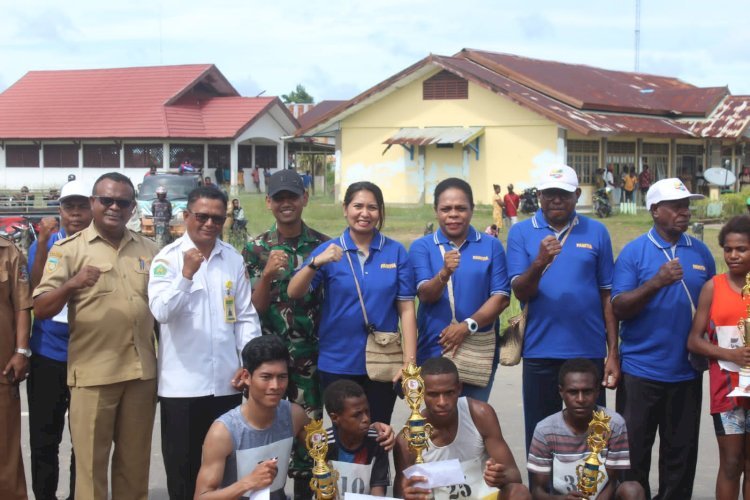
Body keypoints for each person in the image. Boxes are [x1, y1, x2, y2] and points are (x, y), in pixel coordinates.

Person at [33, 172, 158, 500]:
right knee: (90, 470)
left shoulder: (151, 250)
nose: (115, 206)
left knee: (134, 467)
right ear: (93, 203)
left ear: (133, 208)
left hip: (140, 374)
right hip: (93, 375)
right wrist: (71, 284)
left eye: (123, 202)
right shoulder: (68, 250)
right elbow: (41, 307)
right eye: (107, 200)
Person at [147, 186, 261, 500]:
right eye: (202, 216)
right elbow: (161, 312)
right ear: (186, 217)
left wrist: (248, 364)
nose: (209, 223)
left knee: (224, 477)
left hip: (226, 385)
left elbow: (245, 316)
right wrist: (185, 276)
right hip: (182, 388)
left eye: (217, 218)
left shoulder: (232, 258)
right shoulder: (167, 259)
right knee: (183, 476)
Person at [193, 335, 395, 500]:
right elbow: (201, 497)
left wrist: (372, 427)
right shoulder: (224, 432)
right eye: (266, 377)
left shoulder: (294, 415)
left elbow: (324, 446)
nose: (275, 386)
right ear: (246, 377)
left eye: (282, 377)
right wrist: (248, 483)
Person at [612, 178, 715, 499]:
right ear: (655, 211)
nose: (684, 211)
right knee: (633, 455)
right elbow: (619, 307)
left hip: (686, 372)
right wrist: (656, 282)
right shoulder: (635, 252)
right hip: (641, 372)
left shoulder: (700, 252)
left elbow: (714, 304)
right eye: (676, 206)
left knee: (680, 456)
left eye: (687, 205)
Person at [506, 163, 618, 453]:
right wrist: (540, 261)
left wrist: (612, 353)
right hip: (540, 351)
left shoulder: (597, 231)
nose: (556, 200)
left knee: (592, 438)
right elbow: (520, 291)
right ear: (539, 195)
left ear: (578, 195)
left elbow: (607, 294)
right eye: (550, 193)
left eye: (564, 194)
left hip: (588, 352)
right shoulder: (521, 232)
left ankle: (590, 492)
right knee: (541, 435)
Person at [288, 181, 417, 425]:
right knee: (345, 437)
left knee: (378, 432)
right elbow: (294, 292)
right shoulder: (328, 250)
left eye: (372, 207)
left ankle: (377, 466)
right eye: (358, 206)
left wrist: (409, 362)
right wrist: (316, 262)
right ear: (345, 208)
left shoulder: (396, 252)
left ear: (380, 212)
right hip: (337, 362)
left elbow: (407, 309)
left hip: (383, 362)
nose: (365, 214)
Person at [243, 169, 329, 497]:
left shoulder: (322, 247)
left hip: (310, 362)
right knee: (268, 440)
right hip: (269, 364)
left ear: (305, 198)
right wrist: (265, 276)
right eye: (279, 198)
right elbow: (254, 308)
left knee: (311, 443)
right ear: (268, 203)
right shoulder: (255, 249)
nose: (286, 203)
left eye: (292, 196)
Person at [409, 178, 510, 401]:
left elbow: (501, 297)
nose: (453, 214)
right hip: (433, 348)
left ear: (472, 210)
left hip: (477, 347)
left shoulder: (491, 245)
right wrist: (444, 273)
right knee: (436, 419)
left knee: (474, 417)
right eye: (446, 209)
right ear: (436, 211)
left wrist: (467, 326)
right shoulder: (422, 247)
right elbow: (425, 295)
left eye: (460, 208)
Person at [26, 180, 92, 500]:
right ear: (60, 211)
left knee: (85, 440)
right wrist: (41, 241)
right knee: (44, 437)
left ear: (93, 208)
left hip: (88, 353)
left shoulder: (100, 246)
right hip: (49, 351)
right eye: (70, 207)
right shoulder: (46, 243)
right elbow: (35, 291)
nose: (76, 214)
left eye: (82, 207)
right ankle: (45, 496)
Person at [395, 357, 530, 499]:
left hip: (484, 496)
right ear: (420, 393)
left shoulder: (480, 415)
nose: (442, 402)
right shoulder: (408, 438)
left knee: (519, 493)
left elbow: (514, 474)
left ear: (459, 388)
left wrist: (500, 476)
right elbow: (399, 493)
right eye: (433, 394)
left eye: (449, 393)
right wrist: (407, 494)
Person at [686, 215, 750, 500]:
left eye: (742, 249)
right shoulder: (714, 287)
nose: (733, 255)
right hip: (726, 391)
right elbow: (694, 340)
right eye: (728, 249)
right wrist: (730, 354)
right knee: (731, 463)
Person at [528, 358, 644, 500]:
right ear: (561, 392)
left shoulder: (614, 424)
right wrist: (562, 499)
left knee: (633, 490)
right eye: (573, 392)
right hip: (563, 498)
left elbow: (613, 480)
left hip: (603, 497)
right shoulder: (545, 430)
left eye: (587, 392)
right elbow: (537, 491)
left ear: (597, 392)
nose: (581, 399)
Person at [0, 232, 32, 500]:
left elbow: (23, 305)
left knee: (5, 448)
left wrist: (21, 351)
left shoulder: (9, 253)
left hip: (2, 367)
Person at [323, 379, 390, 496]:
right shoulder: (324, 443)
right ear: (335, 418)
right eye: (357, 414)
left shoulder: (378, 442)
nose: (366, 419)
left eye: (367, 411)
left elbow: (378, 491)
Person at [151, 185, 173, 249]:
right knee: (158, 237)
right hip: (157, 223)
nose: (161, 196)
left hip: (165, 223)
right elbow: (153, 212)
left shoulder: (168, 203)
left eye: (162, 194)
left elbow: (170, 212)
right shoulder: (154, 203)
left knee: (166, 237)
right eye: (160, 194)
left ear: (165, 195)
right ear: (157, 195)